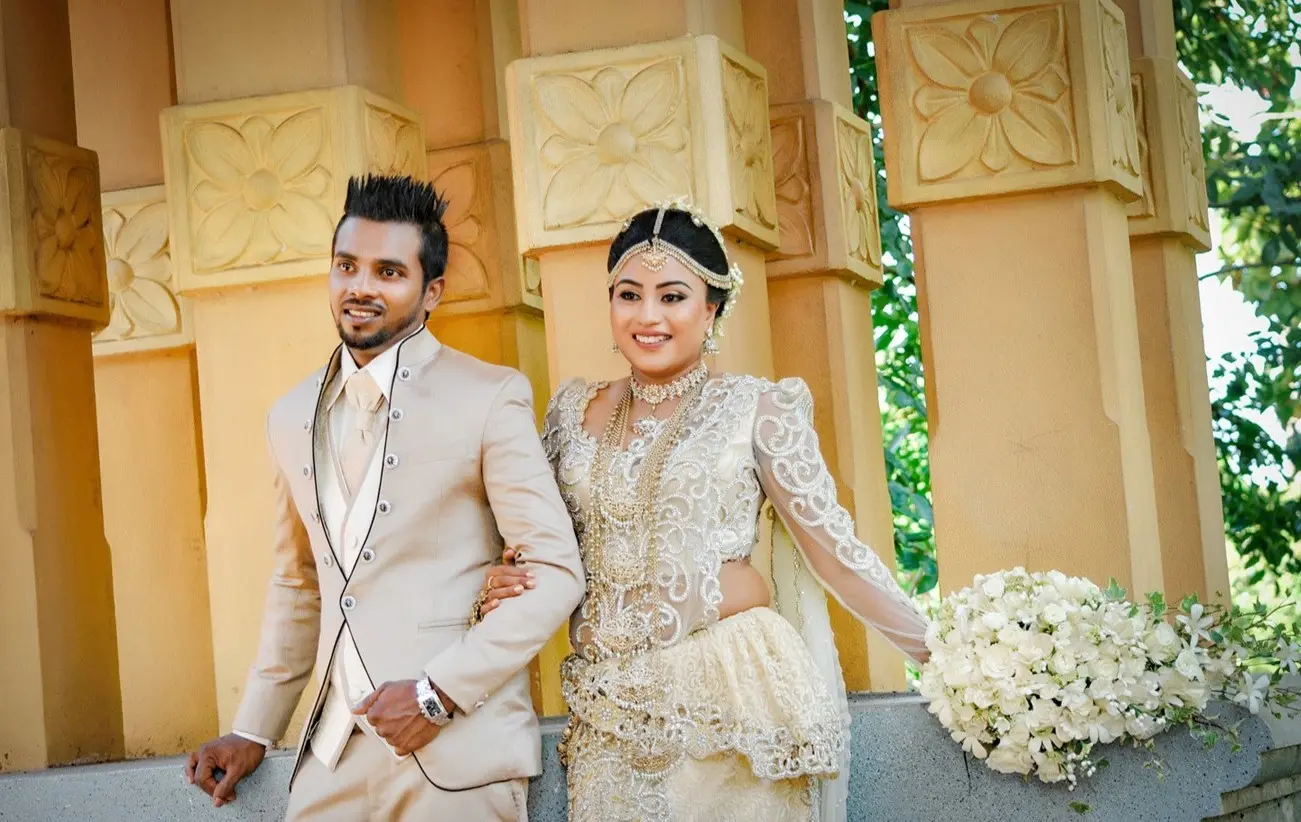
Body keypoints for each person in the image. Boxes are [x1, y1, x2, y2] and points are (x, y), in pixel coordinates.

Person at [477, 202, 932, 821]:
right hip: (606, 706)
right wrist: (504, 577)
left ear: (711, 308)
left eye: (673, 296)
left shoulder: (758, 410)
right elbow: (539, 540)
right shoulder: (569, 413)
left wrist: (952, 660)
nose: (648, 317)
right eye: (629, 294)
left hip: (727, 697)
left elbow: (837, 554)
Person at [184, 174, 585, 821]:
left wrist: (437, 695)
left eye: (388, 271)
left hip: (457, 756)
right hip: (331, 759)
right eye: (347, 266)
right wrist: (255, 727)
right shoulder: (290, 414)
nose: (361, 287)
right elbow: (300, 581)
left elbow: (555, 572)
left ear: (431, 292)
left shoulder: (487, 396)